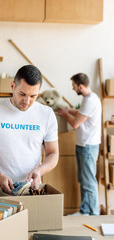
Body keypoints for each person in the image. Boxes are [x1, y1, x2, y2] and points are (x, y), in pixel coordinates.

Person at [0, 65, 59, 195]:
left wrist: (39, 171)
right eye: (22, 94)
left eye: (33, 96)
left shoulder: (46, 114)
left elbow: (53, 153)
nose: (27, 101)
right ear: (13, 86)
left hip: (30, 189)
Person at [56, 73, 101, 216]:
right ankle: (85, 211)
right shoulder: (90, 98)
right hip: (84, 145)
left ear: (80, 86)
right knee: (84, 179)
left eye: (74, 86)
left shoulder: (90, 101)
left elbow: (75, 124)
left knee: (89, 182)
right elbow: (82, 113)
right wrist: (69, 110)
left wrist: (65, 115)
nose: (73, 89)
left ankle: (93, 214)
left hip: (87, 146)